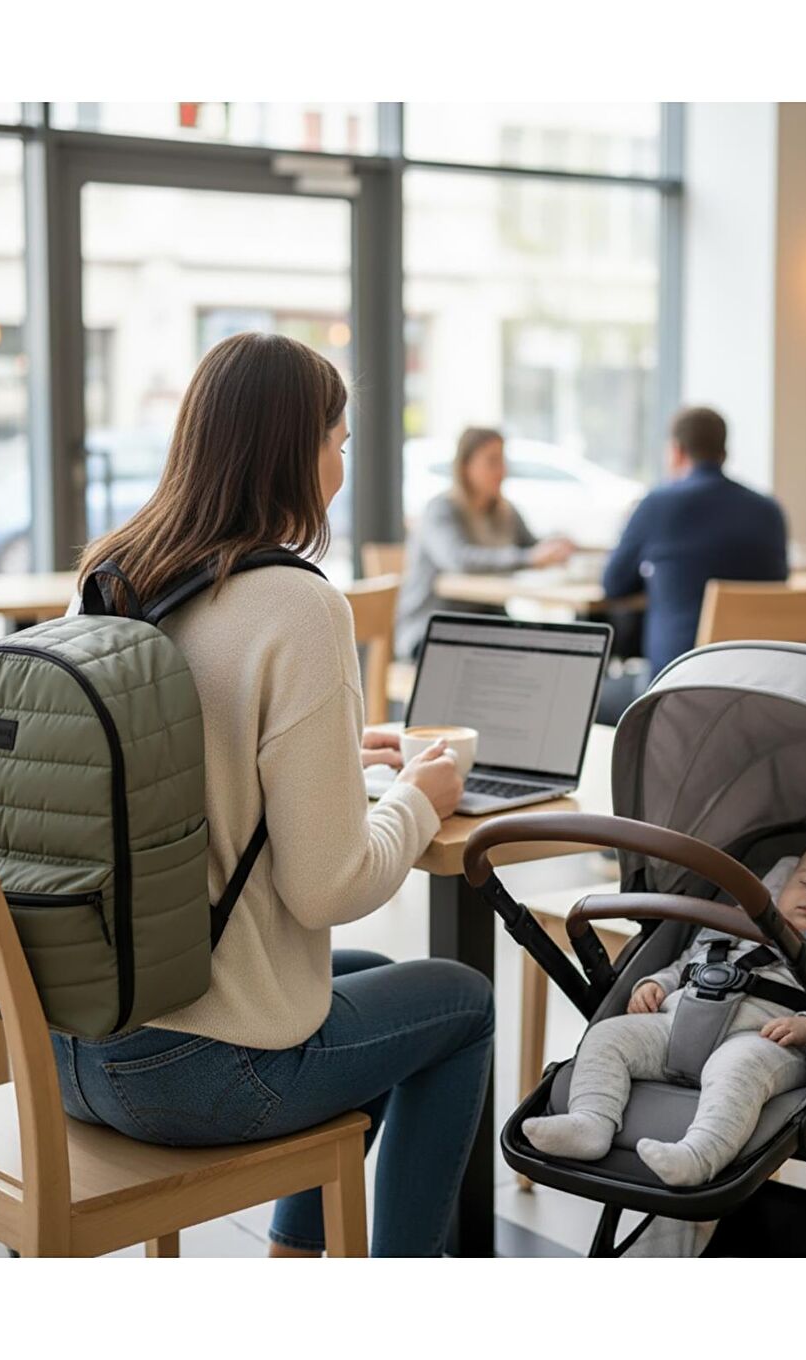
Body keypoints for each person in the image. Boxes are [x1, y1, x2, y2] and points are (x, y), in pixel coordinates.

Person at [52, 333, 495, 1258]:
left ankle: (297, 1259)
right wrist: (419, 793)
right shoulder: (297, 605)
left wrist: (339, 756)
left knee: (370, 978)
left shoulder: (112, 580)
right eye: (338, 440)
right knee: (459, 1001)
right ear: (296, 452)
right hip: (194, 1075)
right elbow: (326, 889)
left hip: (77, 1048)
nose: (342, 462)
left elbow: (198, 773)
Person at [522, 838, 806, 1186]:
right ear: (781, 888)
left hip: (763, 1041)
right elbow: (684, 964)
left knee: (741, 1069)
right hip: (676, 1026)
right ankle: (591, 1121)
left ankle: (699, 1155)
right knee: (608, 1035)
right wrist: (656, 985)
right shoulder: (733, 923)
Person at [597, 407, 787, 723]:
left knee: (584, 695)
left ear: (676, 452)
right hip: (760, 690)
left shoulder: (659, 504)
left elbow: (613, 584)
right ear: (725, 452)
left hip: (676, 690)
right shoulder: (770, 510)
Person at [395, 426, 574, 658]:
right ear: (466, 467)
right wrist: (530, 559)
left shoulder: (504, 511)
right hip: (432, 629)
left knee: (541, 652)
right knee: (514, 662)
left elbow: (530, 546)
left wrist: (554, 546)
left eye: (502, 461)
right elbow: (459, 559)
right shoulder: (441, 510)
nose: (502, 471)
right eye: (492, 461)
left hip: (486, 623)